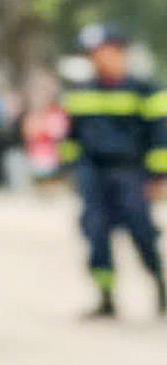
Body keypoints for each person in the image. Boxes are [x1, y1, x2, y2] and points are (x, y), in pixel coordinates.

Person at [61, 26, 167, 319]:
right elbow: (71, 137)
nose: (99, 59)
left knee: (142, 233)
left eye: (104, 52)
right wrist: (71, 170)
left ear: (120, 52)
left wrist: (158, 177)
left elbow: (160, 137)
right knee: (95, 234)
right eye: (94, 54)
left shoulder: (146, 90)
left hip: (131, 172)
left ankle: (160, 286)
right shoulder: (81, 92)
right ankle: (106, 297)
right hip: (93, 174)